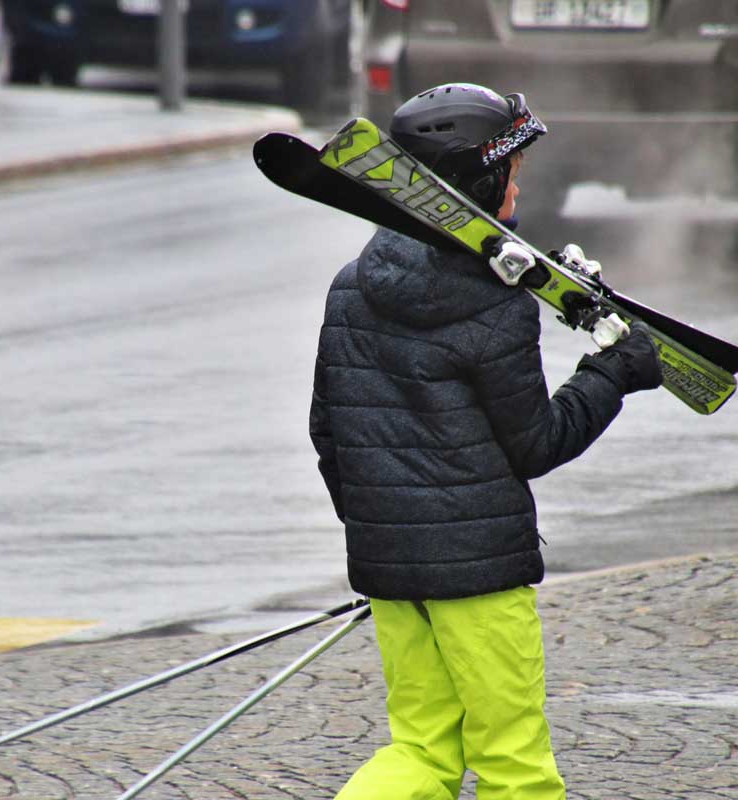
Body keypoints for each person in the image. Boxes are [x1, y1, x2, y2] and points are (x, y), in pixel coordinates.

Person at [309, 83, 663, 800]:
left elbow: (328, 433)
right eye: (512, 168)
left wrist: (385, 540)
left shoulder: (353, 285)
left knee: (421, 752)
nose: (520, 181)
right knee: (513, 764)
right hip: (478, 579)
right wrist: (612, 374)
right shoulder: (493, 305)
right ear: (478, 178)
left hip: (392, 570)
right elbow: (537, 443)